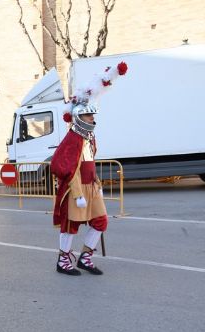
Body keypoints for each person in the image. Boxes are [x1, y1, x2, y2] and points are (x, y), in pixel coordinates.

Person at [51, 61, 127, 276]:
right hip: (76, 189)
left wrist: (97, 185)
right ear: (79, 117)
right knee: (70, 225)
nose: (92, 119)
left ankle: (85, 257)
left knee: (100, 221)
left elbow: (89, 164)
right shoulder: (72, 138)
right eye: (89, 116)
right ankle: (63, 261)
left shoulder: (89, 138)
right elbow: (64, 167)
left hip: (91, 187)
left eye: (92, 116)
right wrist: (77, 193)